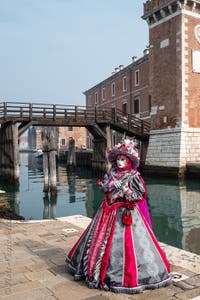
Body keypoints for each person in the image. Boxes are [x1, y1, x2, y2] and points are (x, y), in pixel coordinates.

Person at [66, 139, 172, 294]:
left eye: (123, 159)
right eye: (118, 159)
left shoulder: (134, 175)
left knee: (129, 246)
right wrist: (110, 185)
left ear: (129, 160)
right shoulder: (111, 172)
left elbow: (140, 195)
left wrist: (126, 191)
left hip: (124, 212)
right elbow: (102, 185)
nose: (120, 162)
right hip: (106, 211)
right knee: (97, 241)